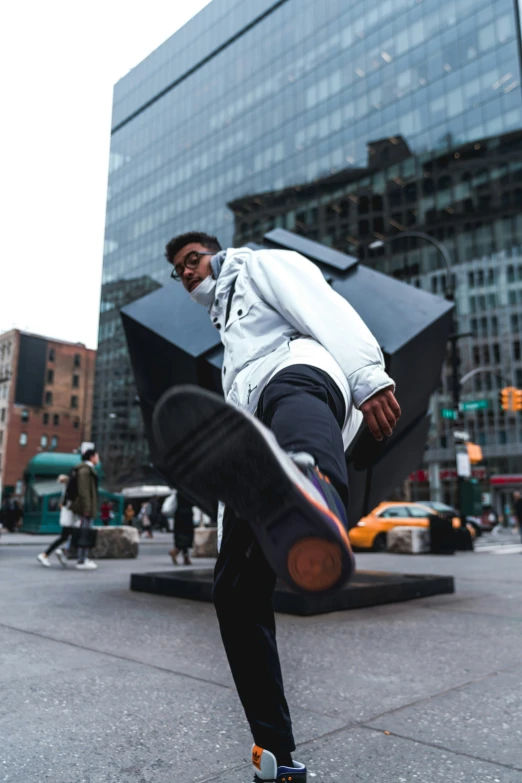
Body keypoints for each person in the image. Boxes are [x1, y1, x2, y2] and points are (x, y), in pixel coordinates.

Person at [158, 232, 401, 782]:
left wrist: (368, 375)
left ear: (216, 253)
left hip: (303, 377)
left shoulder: (261, 266)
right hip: (259, 437)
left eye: (193, 261)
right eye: (179, 272)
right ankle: (276, 753)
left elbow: (321, 305)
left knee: (289, 400)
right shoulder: (226, 342)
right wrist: (228, 527)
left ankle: (314, 487)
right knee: (233, 592)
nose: (188, 274)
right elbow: (243, 451)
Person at [37, 474, 77, 567]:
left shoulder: (66, 488)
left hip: (67, 516)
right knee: (72, 536)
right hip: (70, 516)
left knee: (65, 537)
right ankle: (61, 552)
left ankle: (50, 554)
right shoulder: (71, 488)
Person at [70, 448, 100, 570]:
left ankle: (82, 557)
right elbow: (84, 491)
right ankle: (81, 560)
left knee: (85, 531)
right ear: (92, 457)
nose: (98, 459)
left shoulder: (87, 470)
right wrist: (87, 507)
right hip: (85, 507)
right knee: (85, 532)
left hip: (86, 506)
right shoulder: (85, 471)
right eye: (97, 456)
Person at [169, 493, 194, 565]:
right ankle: (175, 551)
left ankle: (186, 558)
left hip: (178, 515)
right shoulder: (189, 492)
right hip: (187, 516)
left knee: (181, 537)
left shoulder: (178, 492)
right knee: (186, 538)